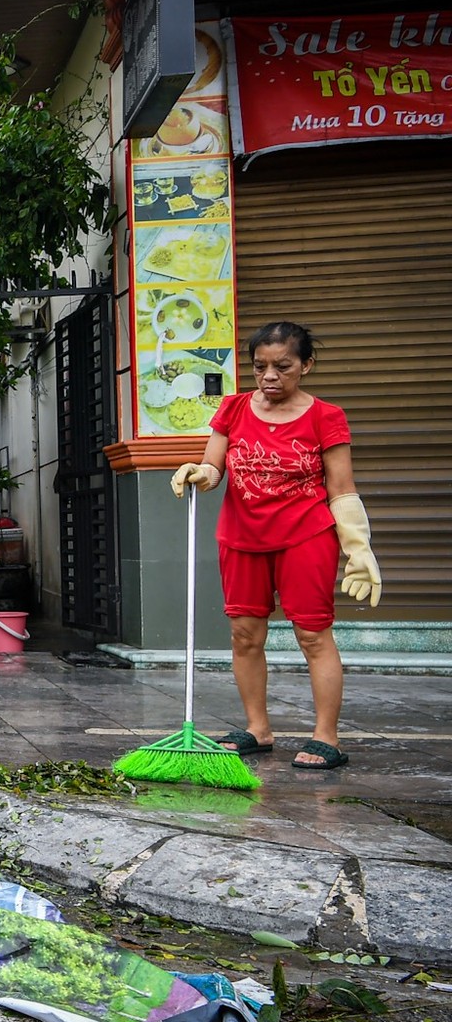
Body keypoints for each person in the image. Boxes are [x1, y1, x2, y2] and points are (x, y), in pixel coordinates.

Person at [171, 321, 381, 770]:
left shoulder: (326, 416)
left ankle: (327, 736)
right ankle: (257, 729)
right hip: (242, 538)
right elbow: (214, 465)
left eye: (282, 366)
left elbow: (341, 489)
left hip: (305, 536)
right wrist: (199, 473)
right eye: (260, 366)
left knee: (312, 636)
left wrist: (358, 547)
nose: (269, 376)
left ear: (306, 365)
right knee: (245, 637)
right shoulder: (234, 409)